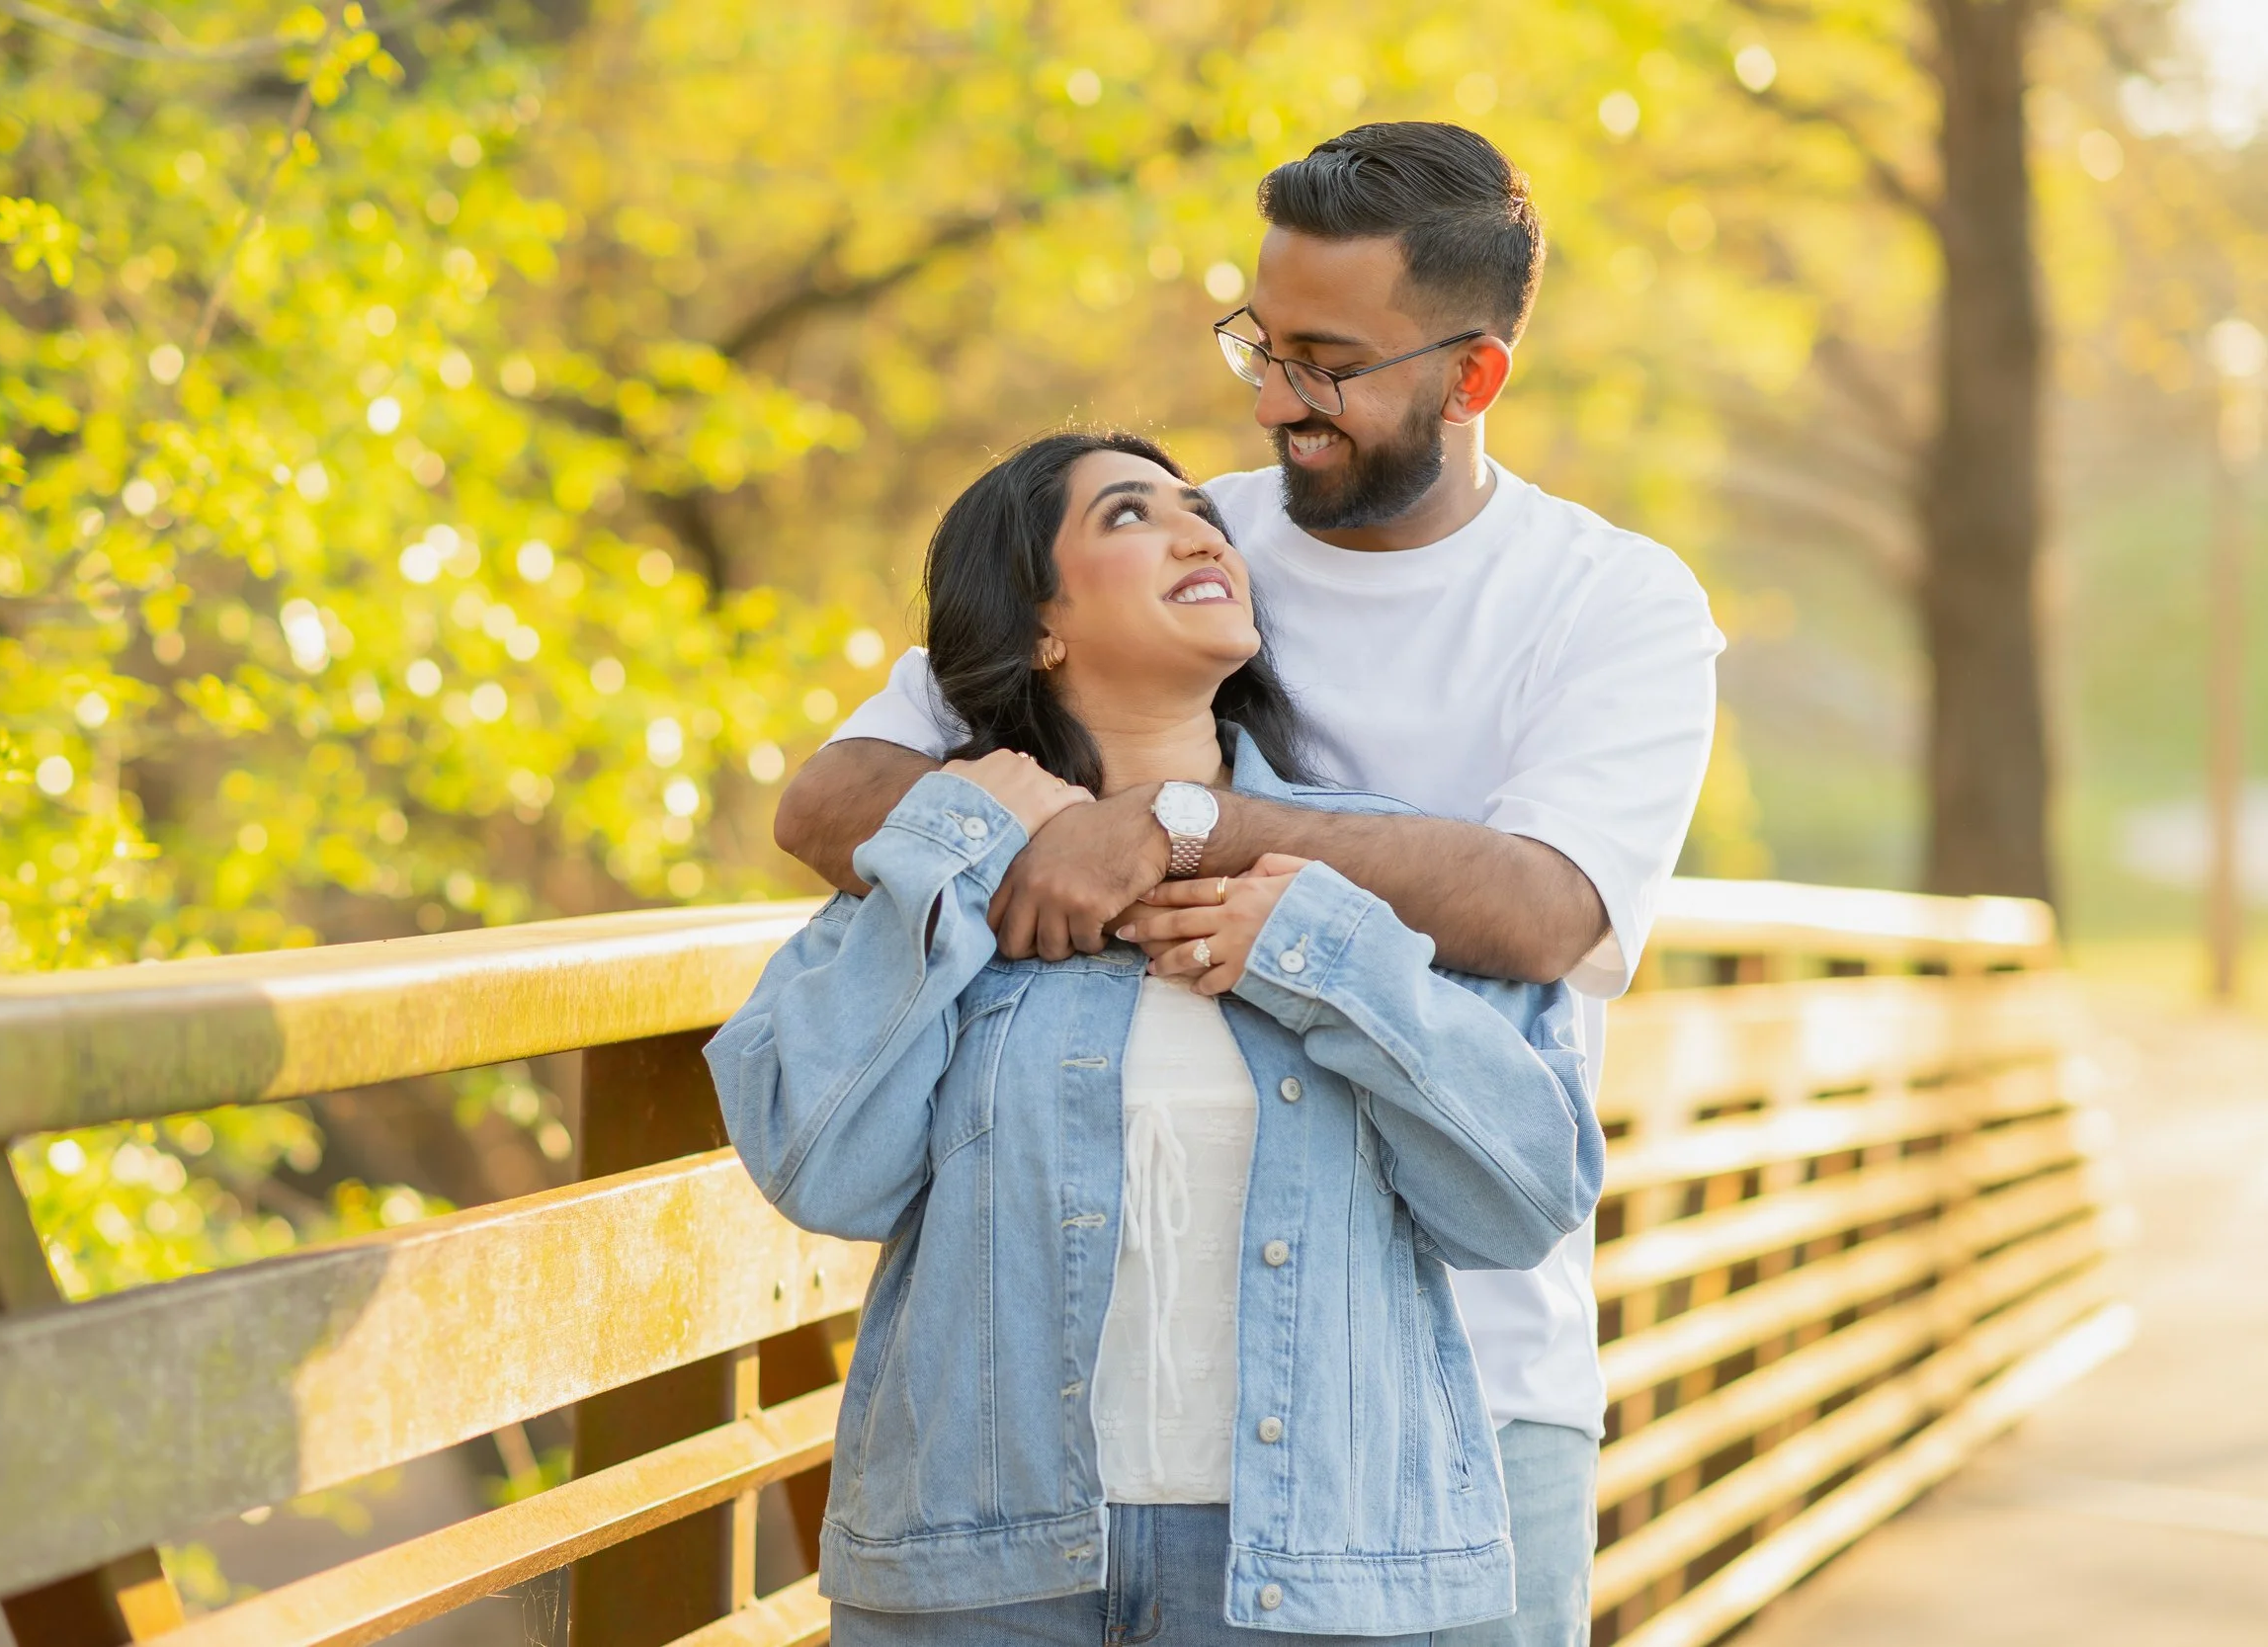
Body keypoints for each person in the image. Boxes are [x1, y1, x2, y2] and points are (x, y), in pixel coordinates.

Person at [773, 124, 1723, 1644]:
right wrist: (1034, 822)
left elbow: (1550, 911)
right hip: (1082, 1444)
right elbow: (835, 798)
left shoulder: (1608, 601)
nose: (1277, 400)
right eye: (1260, 345)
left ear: (1472, 377)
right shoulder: (1176, 539)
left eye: (1328, 364)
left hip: (1476, 1381)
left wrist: (1181, 819)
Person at [712, 430, 1604, 1643]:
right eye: (1131, 515)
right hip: (988, 1576)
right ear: (1041, 626)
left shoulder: (1372, 871)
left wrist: (1324, 957)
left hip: (1325, 1578)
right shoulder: (946, 865)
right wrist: (953, 854)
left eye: (1202, 512)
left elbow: (1524, 1194)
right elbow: (820, 1166)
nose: (1201, 532)